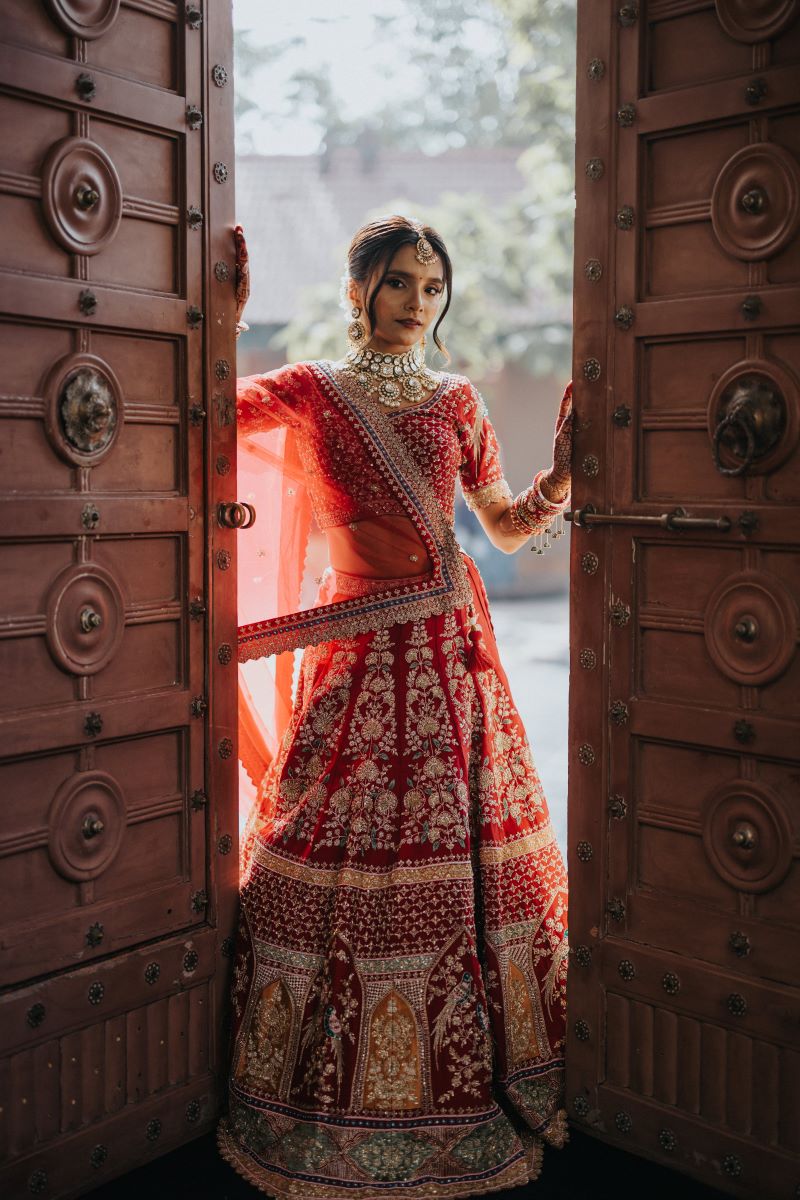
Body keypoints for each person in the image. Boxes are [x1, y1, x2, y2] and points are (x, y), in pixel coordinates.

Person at [218, 214, 573, 1199]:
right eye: (396, 284)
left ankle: (474, 1062)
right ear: (357, 292)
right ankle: (316, 1080)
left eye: (429, 286)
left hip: (449, 650)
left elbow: (498, 522)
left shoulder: (456, 399)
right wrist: (222, 321)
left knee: (459, 853)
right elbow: (203, 417)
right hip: (356, 650)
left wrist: (562, 475)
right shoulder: (310, 392)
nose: (416, 303)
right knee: (320, 845)